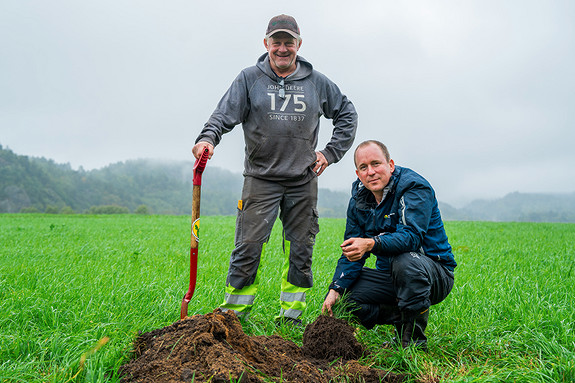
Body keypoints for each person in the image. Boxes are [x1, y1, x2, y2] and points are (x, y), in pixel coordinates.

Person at [192, 14, 358, 324]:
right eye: (276, 42)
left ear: (299, 44)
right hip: (260, 179)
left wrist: (330, 152)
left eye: (289, 42)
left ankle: (292, 319)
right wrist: (207, 140)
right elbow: (222, 116)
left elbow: (347, 113)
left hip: (302, 181)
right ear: (266, 43)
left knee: (300, 250)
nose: (283, 48)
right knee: (248, 248)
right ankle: (233, 318)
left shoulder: (317, 82)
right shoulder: (249, 79)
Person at [322, 140, 456, 350]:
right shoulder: (359, 201)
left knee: (405, 262)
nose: (371, 172)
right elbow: (353, 249)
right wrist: (336, 288)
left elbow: (411, 237)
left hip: (433, 273)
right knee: (345, 295)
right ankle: (405, 316)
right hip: (391, 277)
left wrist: (371, 243)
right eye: (364, 167)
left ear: (390, 165)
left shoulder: (414, 187)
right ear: (358, 174)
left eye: (376, 164)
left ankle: (413, 345)